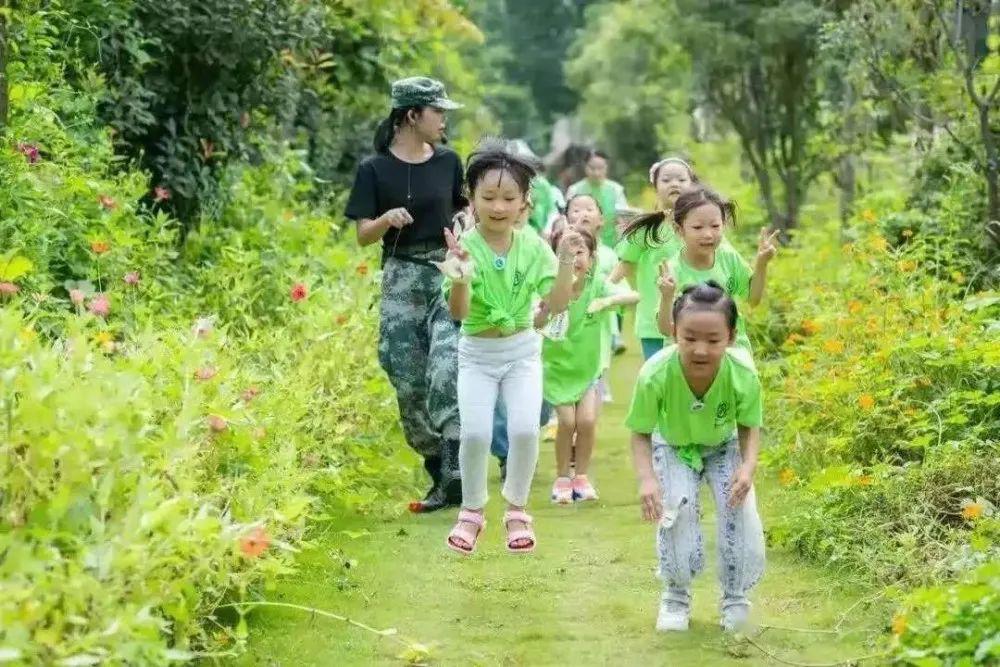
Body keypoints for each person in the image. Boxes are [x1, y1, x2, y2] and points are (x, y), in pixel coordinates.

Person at [436, 139, 585, 555]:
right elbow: (460, 313)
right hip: (477, 355)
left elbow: (556, 304)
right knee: (476, 434)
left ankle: (517, 509)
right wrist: (462, 274)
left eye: (508, 198)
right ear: (471, 197)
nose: (498, 207)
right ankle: (472, 512)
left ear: (523, 202)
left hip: (521, 352)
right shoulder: (465, 247)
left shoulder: (534, 246)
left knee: (524, 430)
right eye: (488, 197)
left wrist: (567, 263)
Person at [344, 76, 465, 513]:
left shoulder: (449, 161)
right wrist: (385, 219)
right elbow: (361, 235)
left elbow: (462, 205)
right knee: (408, 379)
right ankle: (439, 472)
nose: (444, 118)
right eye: (438, 111)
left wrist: (466, 225)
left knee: (446, 366)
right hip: (400, 278)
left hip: (445, 272)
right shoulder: (373, 170)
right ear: (411, 115)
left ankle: (457, 470)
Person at [626, 282, 766, 633]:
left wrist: (748, 468)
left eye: (713, 340)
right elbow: (640, 432)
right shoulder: (655, 373)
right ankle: (675, 597)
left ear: (731, 337)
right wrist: (646, 479)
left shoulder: (743, 373)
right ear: (673, 332)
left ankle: (735, 599)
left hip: (725, 445)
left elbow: (750, 426)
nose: (700, 350)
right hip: (674, 445)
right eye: (689, 338)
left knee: (741, 511)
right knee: (677, 511)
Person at [539, 226, 638, 503]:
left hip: (588, 368)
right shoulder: (551, 287)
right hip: (557, 369)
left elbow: (633, 296)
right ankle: (561, 478)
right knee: (567, 422)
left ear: (592, 258)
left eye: (580, 251)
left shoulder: (597, 286)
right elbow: (535, 318)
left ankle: (580, 477)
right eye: (567, 252)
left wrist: (609, 300)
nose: (575, 257)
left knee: (587, 420)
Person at [656, 187, 779, 353]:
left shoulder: (728, 257)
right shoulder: (672, 270)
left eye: (715, 226)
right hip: (689, 359)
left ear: (724, 225)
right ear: (679, 230)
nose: (708, 234)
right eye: (698, 228)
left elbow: (753, 299)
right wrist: (667, 296)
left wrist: (762, 263)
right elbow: (666, 329)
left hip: (731, 351)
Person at [616, 157, 697, 360]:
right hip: (652, 322)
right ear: (655, 186)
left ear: (692, 184)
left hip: (695, 319)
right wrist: (602, 291)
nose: (674, 184)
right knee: (658, 380)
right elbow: (626, 263)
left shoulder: (701, 224)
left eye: (681, 179)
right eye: (667, 180)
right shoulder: (646, 227)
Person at [566, 150, 628, 249]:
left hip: (612, 244)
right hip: (581, 244)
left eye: (600, 168)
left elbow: (623, 217)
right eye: (592, 168)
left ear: (606, 168)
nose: (596, 172)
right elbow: (566, 217)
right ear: (585, 167)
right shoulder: (574, 190)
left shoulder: (616, 190)